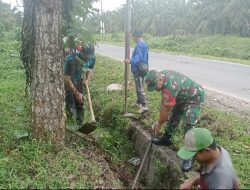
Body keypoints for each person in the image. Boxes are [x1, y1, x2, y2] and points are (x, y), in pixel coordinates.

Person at [145, 69, 205, 172]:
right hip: (182, 96)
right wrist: (159, 121)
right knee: (174, 116)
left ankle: (189, 155)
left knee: (188, 123)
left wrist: (159, 124)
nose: (155, 89)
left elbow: (166, 110)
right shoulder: (162, 76)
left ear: (159, 79)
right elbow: (164, 103)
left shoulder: (170, 86)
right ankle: (166, 139)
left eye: (155, 86)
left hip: (194, 96)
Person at [64, 44, 95, 125]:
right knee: (71, 105)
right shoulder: (71, 60)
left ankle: (79, 124)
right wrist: (76, 93)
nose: (87, 58)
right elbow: (66, 79)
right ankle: (71, 124)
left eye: (89, 56)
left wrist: (87, 80)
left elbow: (90, 69)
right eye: (86, 55)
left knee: (80, 103)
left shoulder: (92, 57)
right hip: (69, 81)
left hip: (79, 80)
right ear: (80, 51)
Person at [124, 31, 149, 111]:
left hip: (138, 69)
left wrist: (130, 61)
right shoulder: (144, 44)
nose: (133, 38)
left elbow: (138, 56)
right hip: (144, 67)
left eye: (133, 37)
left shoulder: (139, 45)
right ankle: (138, 102)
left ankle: (144, 105)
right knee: (140, 85)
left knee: (139, 87)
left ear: (136, 36)